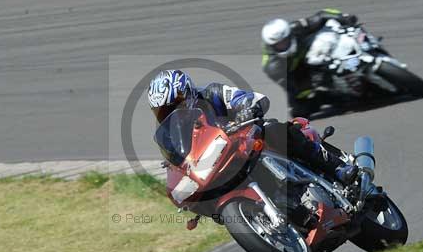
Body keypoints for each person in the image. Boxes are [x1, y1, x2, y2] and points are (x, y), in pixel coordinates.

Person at [147, 69, 357, 183]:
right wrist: (175, 164)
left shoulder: (212, 93)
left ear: (187, 92)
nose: (171, 113)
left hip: (247, 137)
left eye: (173, 105)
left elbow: (248, 98)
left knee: (278, 131)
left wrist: (247, 108)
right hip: (221, 161)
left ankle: (337, 167)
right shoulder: (175, 130)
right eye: (163, 111)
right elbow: (181, 152)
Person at [261, 9, 359, 118]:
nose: (282, 46)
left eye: (284, 41)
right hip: (295, 71)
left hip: (310, 51)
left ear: (289, 34)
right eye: (278, 45)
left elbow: (321, 15)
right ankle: (336, 97)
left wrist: (343, 17)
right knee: (298, 111)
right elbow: (291, 87)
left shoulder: (296, 27)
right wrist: (314, 83)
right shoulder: (272, 67)